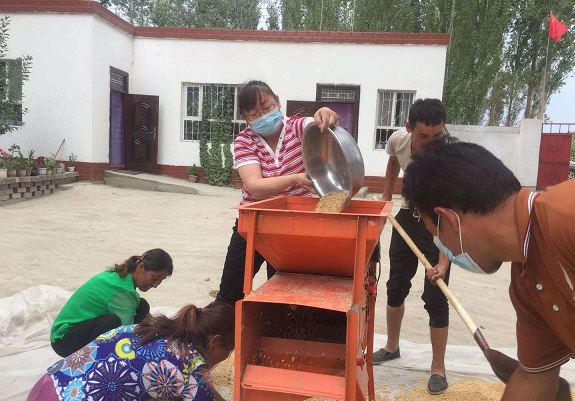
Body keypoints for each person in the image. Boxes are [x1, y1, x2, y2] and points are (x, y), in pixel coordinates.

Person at [402, 136, 575, 401]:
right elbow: (534, 379)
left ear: (450, 221)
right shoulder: (528, 285)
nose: (446, 251)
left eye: (438, 238)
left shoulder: (566, 219)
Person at [216, 80, 339, 305]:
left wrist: (325, 113)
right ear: (245, 118)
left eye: (267, 107)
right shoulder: (244, 141)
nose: (263, 116)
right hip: (253, 223)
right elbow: (255, 186)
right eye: (254, 114)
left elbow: (318, 123)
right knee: (229, 293)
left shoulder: (298, 128)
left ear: (278, 102)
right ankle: (225, 325)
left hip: (293, 225)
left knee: (283, 293)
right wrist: (294, 179)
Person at [373, 98, 452, 395]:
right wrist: (386, 196)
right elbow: (394, 160)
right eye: (423, 136)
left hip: (439, 225)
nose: (431, 143)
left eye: (437, 135)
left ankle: (438, 368)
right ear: (409, 128)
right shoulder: (398, 140)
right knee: (395, 287)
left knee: (436, 295)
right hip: (408, 216)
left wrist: (444, 260)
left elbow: (452, 215)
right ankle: (392, 347)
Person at [28, 301, 235, 401]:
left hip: (45, 388)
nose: (227, 357)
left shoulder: (147, 329)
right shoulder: (190, 366)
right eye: (231, 351)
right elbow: (204, 392)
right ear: (215, 342)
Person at [50, 248, 173, 357]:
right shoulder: (122, 290)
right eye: (155, 278)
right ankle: (92, 360)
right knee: (111, 322)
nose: (156, 285)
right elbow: (125, 335)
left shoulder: (120, 275)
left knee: (142, 306)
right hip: (63, 340)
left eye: (160, 281)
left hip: (73, 331)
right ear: (140, 267)